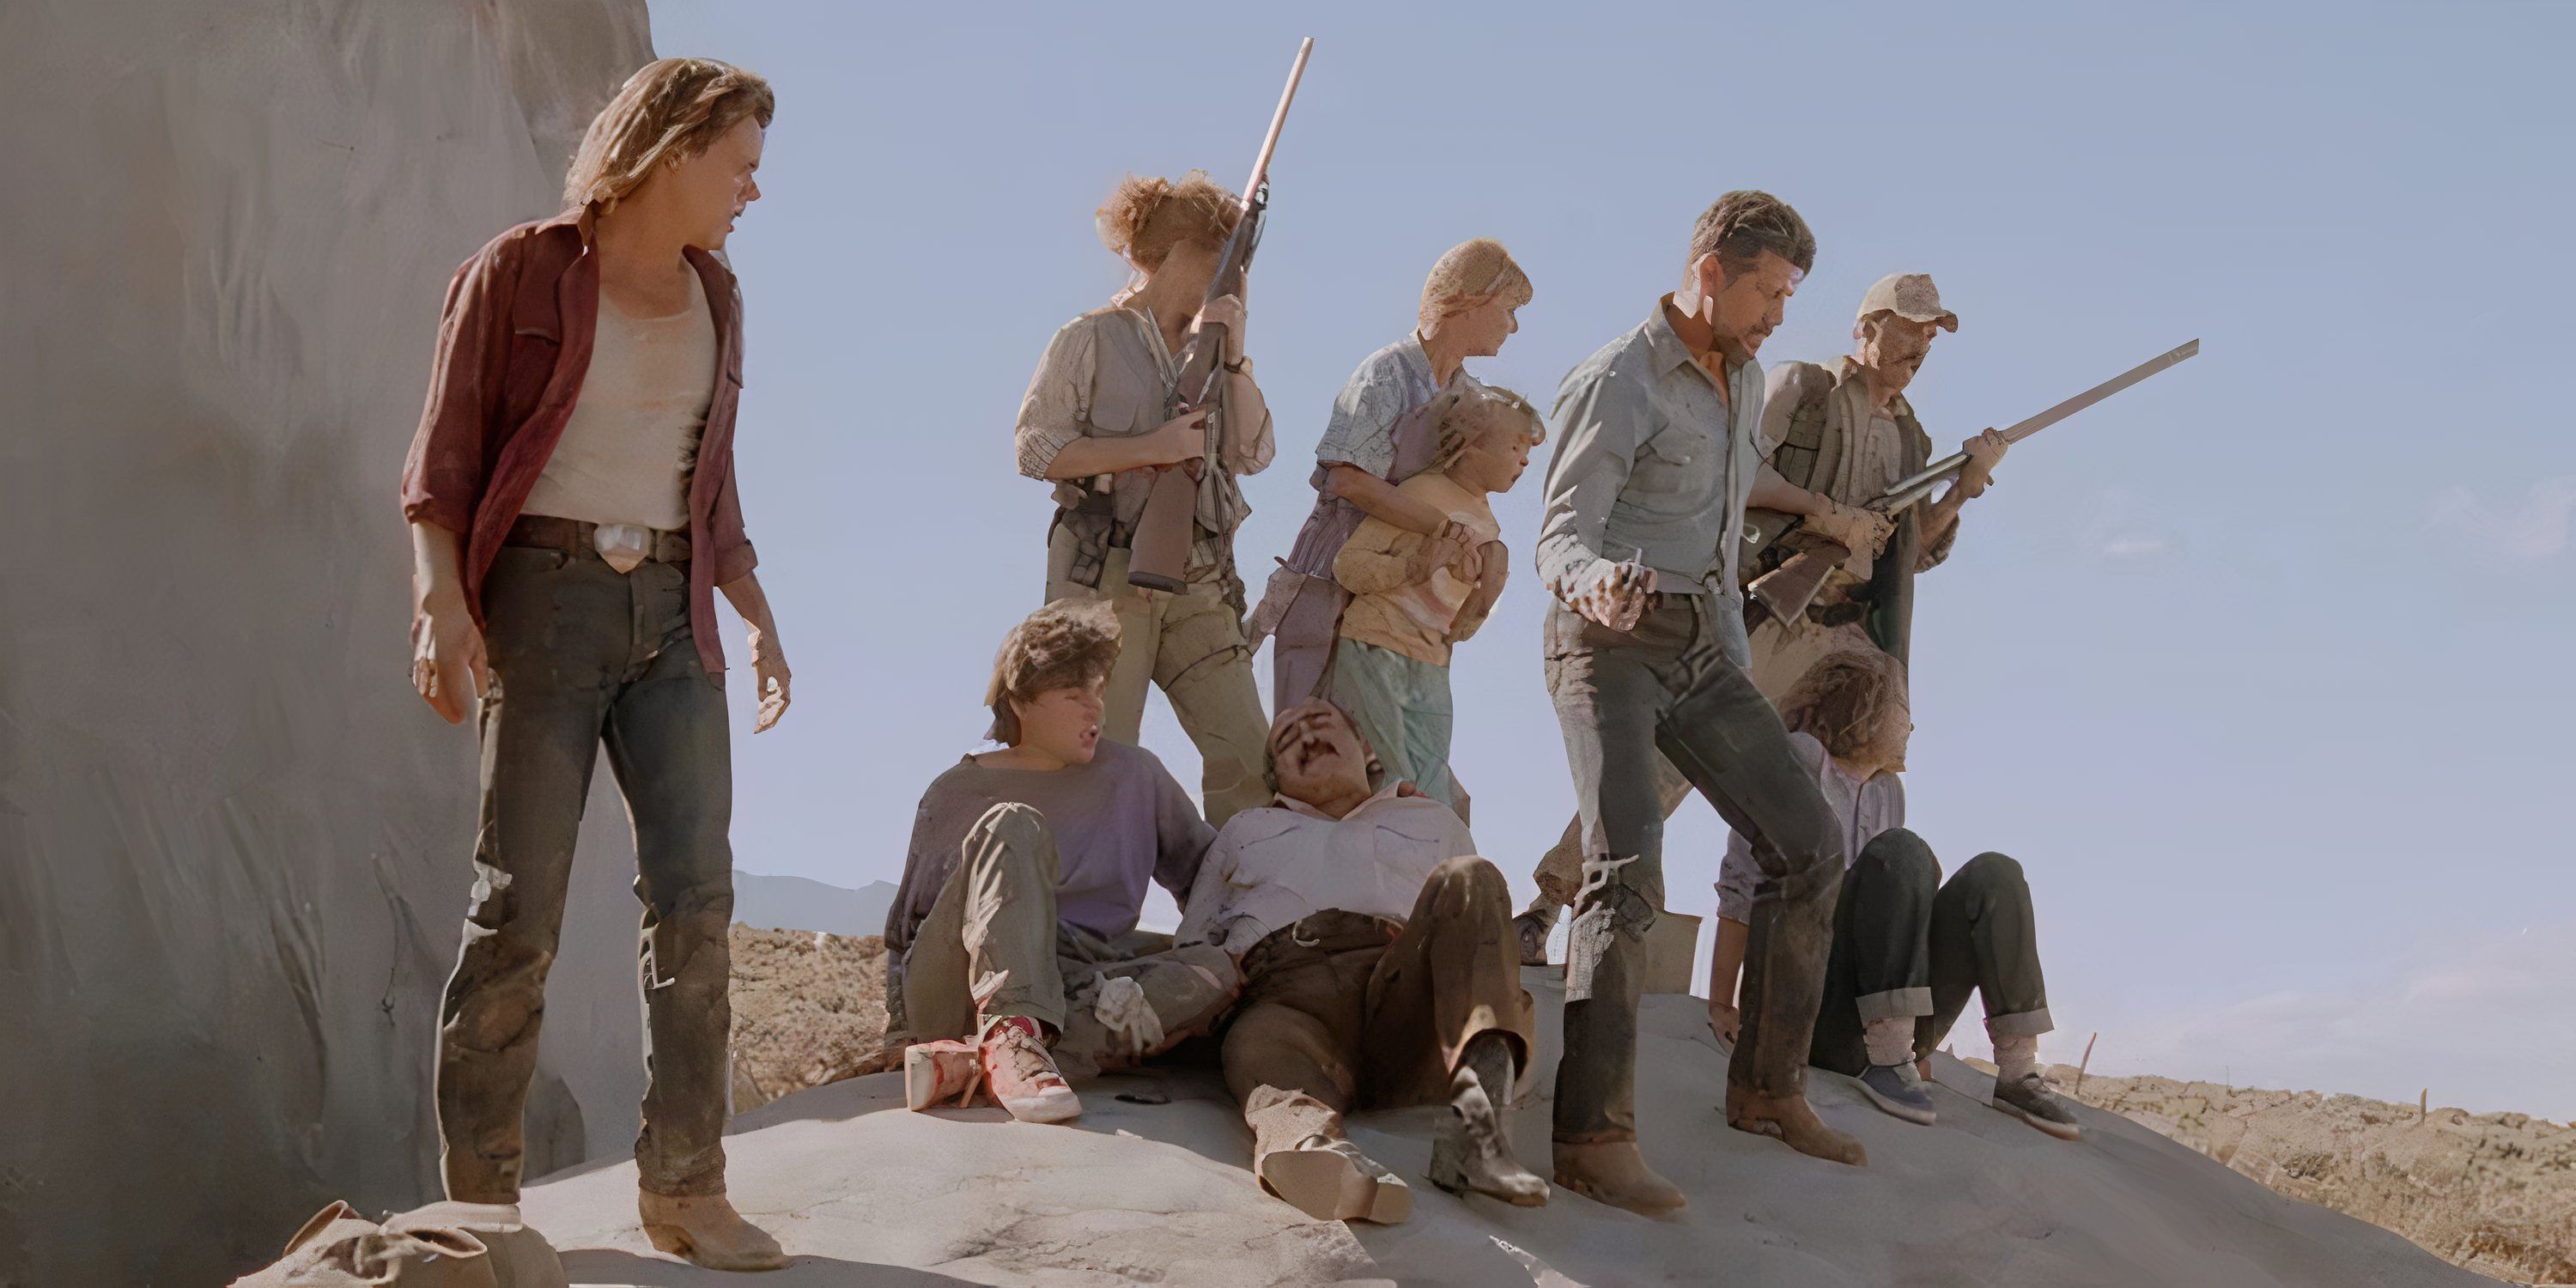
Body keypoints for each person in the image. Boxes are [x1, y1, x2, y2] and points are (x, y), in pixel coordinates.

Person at [399, 58, 792, 1272]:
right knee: (516, 912)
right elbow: (445, 459)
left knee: (698, 906)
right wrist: (438, 607)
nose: (750, 194)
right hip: (545, 607)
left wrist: (756, 608)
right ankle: (484, 1206)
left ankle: (686, 1188)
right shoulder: (520, 269)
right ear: (672, 153)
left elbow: (708, 481)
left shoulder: (721, 296)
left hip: (674, 614)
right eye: (739, 167)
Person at [1533, 191, 1876, 1216]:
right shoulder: (1617, 380)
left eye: (1788, 297)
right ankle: (1593, 1136)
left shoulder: (1748, 377)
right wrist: (1595, 581)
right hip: (1606, 642)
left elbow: (1725, 549)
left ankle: (1770, 1091)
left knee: (1809, 844)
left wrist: (1732, 648)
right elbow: (1559, 533)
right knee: (1627, 871)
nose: (1778, 314)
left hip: (1703, 645)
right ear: (1713, 272)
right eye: (1768, 291)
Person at [1515, 273, 2005, 961]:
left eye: (1930, 333)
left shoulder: (1912, 438)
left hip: (1852, 636)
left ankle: (1848, 976)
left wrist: (1962, 491)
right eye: (1907, 328)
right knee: (1670, 766)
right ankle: (1547, 904)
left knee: (1862, 783)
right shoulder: (1803, 389)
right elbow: (1734, 478)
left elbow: (1911, 552)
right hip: (1782, 611)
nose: (1919, 344)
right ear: (1866, 329)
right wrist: (1826, 516)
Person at [1179, 701, 1546, 1223]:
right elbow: (1192, 941)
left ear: (1367, 749)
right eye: (1287, 742)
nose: (1306, 738)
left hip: (1402, 994)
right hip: (1285, 990)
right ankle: (1311, 1149)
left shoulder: (1430, 818)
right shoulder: (1245, 829)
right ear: (1275, 777)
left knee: (1473, 878)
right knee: (1259, 1042)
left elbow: (1472, 936)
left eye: (1321, 725)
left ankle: (1476, 1139)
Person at [880, 601, 1241, 1124]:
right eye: (1074, 695)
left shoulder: (1136, 776)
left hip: (1081, 975)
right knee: (1014, 825)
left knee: (1218, 969)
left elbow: (1207, 880)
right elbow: (906, 932)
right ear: (1022, 702)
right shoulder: (958, 790)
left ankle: (977, 1059)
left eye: (1098, 692)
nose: (1095, 709)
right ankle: (1008, 1032)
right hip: (961, 983)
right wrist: (899, 1036)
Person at [1706, 650, 2079, 1140]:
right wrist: (1721, 1002)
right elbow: (1740, 882)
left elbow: (1892, 920)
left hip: (1883, 1023)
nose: (1911, 727)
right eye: (1902, 713)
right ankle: (1887, 1054)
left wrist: (1911, 1042)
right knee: (1902, 852)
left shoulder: (1887, 793)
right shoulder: (1802, 758)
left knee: (1996, 874)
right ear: (1863, 708)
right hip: (1810, 1016)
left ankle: (2016, 1071)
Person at [1014, 171, 1277, 828]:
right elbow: (1036, 449)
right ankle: (1089, 921)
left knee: (1250, 758)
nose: (1235, 273)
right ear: (1187, 252)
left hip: (1200, 578)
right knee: (1101, 757)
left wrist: (1236, 359)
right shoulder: (1092, 336)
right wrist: (1152, 447)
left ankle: (1243, 922)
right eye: (1226, 256)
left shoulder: (1216, 350)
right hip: (1105, 570)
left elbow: (1255, 453)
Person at [1253, 239, 1534, 715]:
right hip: (1327, 590)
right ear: (1469, 301)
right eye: (1507, 310)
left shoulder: (1469, 397)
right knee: (1303, 756)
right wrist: (1448, 534)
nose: (1514, 326)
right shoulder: (1386, 374)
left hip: (1398, 613)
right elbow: (1349, 482)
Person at [1324, 386, 1544, 812]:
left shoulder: (1488, 523)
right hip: (1376, 645)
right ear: (1470, 447)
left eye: (1527, 450)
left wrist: (1483, 594)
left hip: (1430, 663)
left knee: (1430, 781)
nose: (1525, 460)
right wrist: (1414, 566)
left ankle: (1425, 863)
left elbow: (1459, 627)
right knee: (1399, 774)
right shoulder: (1421, 493)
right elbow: (1348, 567)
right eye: (1515, 446)